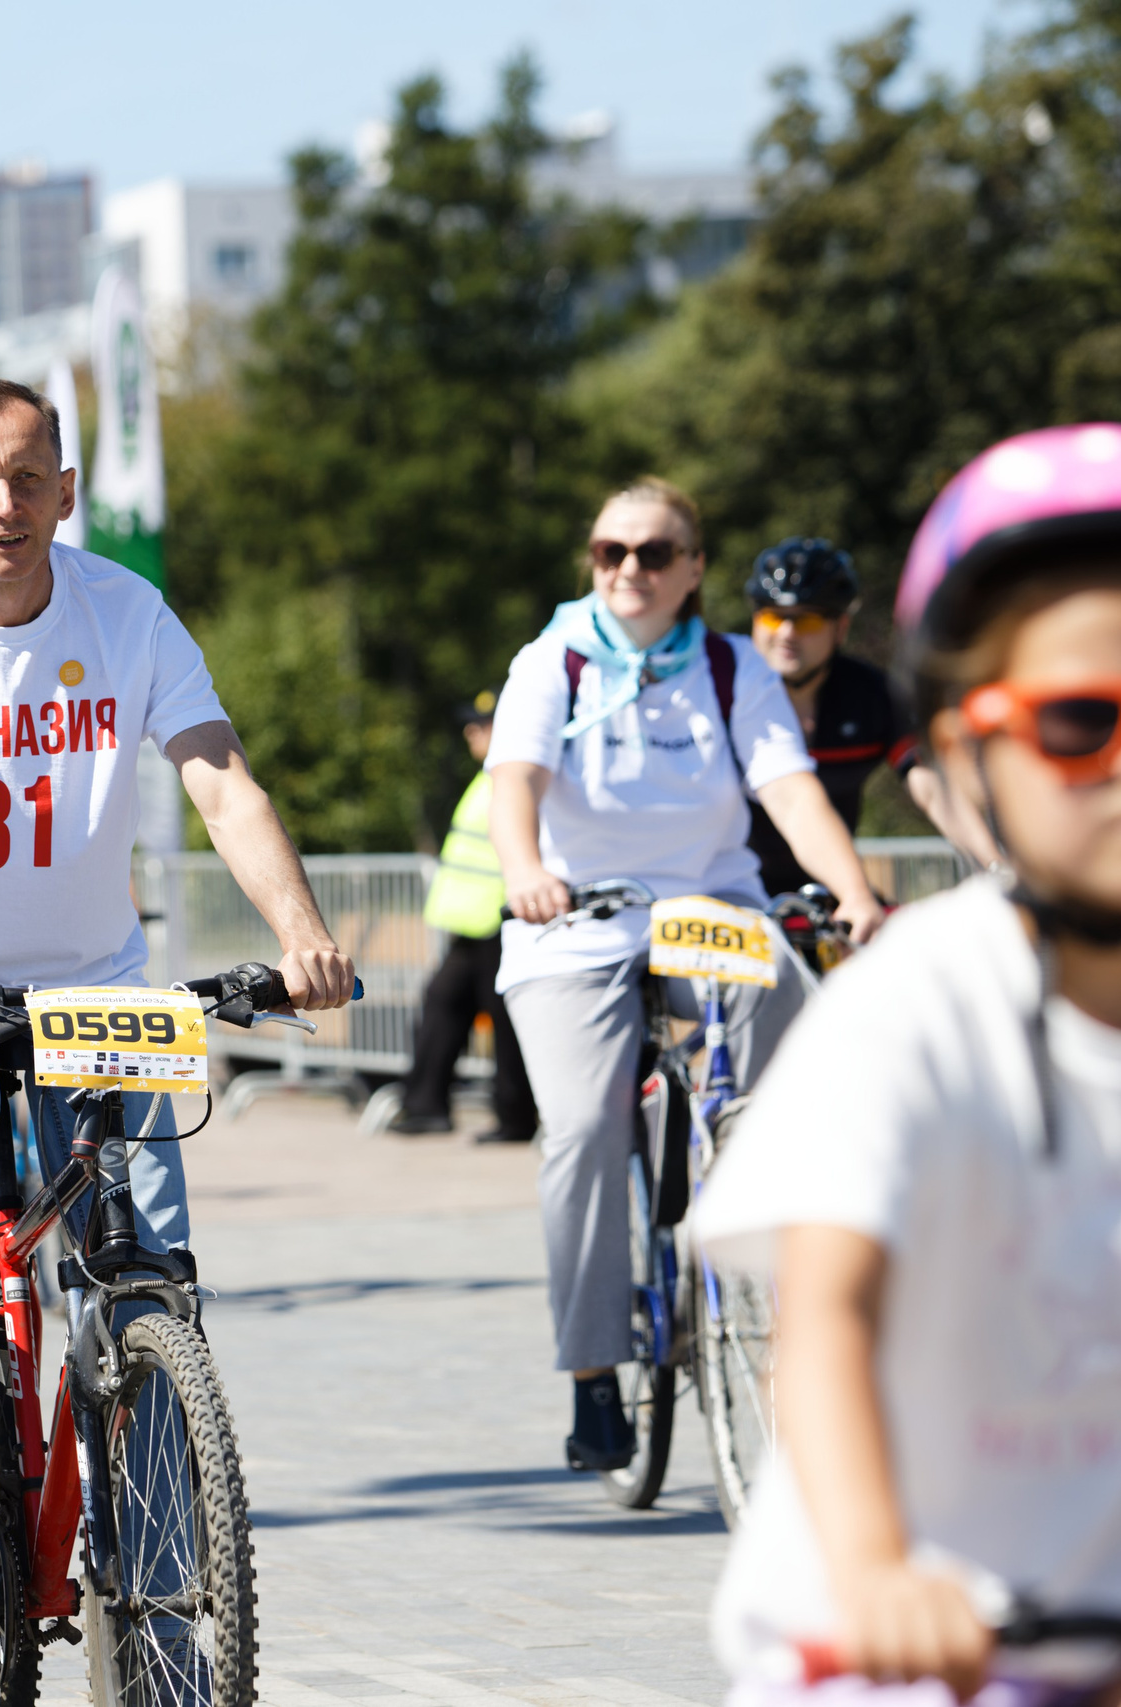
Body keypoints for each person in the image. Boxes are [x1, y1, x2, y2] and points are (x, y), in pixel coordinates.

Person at [692, 424, 1121, 1707]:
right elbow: (822, 1326)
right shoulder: (907, 1016)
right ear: (963, 744)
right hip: (908, 1647)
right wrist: (875, 1574)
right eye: (1083, 719)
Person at [0, 377, 357, 1474]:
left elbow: (222, 785)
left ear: (66, 492)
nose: (2, 505)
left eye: (27, 479)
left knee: (147, 1269)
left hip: (94, 984)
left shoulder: (128, 613)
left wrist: (301, 935)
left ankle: (164, 1588)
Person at [489, 476, 886, 1477]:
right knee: (582, 1128)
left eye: (653, 554)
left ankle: (804, 1315)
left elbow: (789, 792)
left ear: (692, 570)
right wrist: (525, 872)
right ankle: (592, 1372)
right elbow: (514, 784)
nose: (629, 570)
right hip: (576, 921)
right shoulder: (555, 660)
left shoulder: (730, 666)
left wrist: (852, 891)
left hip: (712, 910)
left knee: (791, 1093)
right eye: (610, 552)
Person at [389, 692, 537, 1141]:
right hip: (475, 923)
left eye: (483, 724)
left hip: (504, 920)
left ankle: (515, 1119)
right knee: (442, 1003)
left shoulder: (518, 777)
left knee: (508, 1026)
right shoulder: (491, 776)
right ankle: (426, 1106)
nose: (471, 731)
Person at [741, 540, 919, 898]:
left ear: (840, 628)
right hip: (731, 891)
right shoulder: (721, 690)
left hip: (831, 892)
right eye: (775, 617)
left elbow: (931, 783)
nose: (788, 634)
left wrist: (996, 865)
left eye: (806, 620)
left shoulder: (872, 693)